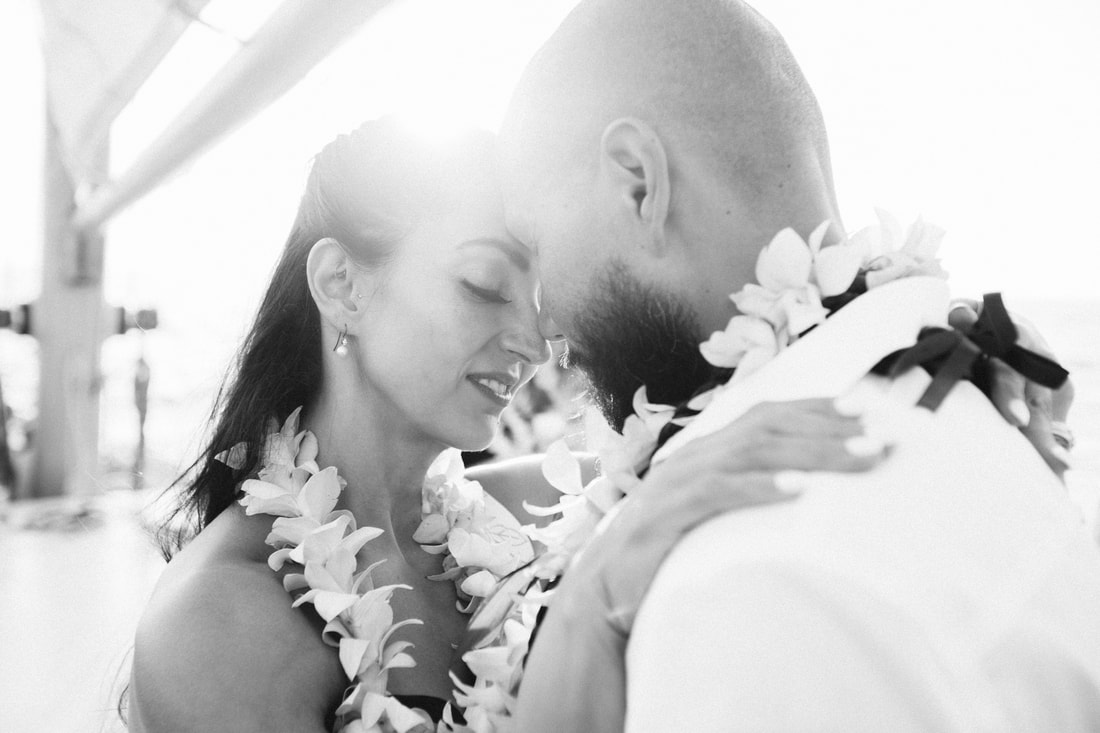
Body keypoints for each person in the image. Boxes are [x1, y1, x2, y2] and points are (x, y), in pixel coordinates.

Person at [125, 119, 893, 732]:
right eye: (485, 285)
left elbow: (671, 472)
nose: (534, 341)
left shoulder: (511, 518)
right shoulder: (216, 622)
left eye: (537, 292)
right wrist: (587, 607)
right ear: (341, 285)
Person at [499, 0, 1100, 730]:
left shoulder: (733, 589)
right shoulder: (968, 406)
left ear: (638, 182)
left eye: (537, 246)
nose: (546, 322)